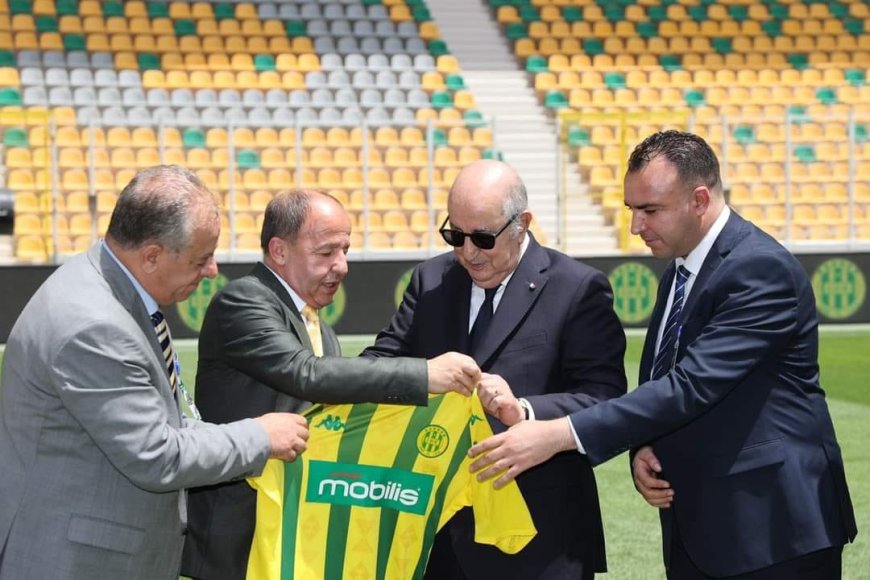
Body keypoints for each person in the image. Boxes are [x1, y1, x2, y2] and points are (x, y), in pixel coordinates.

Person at [468, 131, 858, 579]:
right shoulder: (680, 269)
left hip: (774, 530)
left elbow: (690, 386)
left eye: (650, 210)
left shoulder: (759, 270)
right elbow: (661, 382)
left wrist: (556, 434)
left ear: (699, 199)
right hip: (703, 526)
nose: (636, 226)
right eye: (632, 209)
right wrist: (644, 447)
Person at [0, 165, 310, 579]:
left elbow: (168, 422)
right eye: (201, 258)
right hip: (79, 562)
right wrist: (260, 436)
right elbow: (157, 455)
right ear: (151, 256)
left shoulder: (107, 288)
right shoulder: (96, 325)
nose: (212, 271)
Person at [181, 189, 481, 580]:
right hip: (242, 539)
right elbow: (306, 374)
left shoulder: (319, 325)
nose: (341, 266)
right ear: (279, 250)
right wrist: (424, 375)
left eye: (345, 250)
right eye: (326, 253)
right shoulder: (243, 301)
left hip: (298, 534)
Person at [362, 159, 627, 579]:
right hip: (433, 532)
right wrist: (425, 374)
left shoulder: (577, 288)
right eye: (455, 235)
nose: (468, 252)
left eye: (483, 238)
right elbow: (375, 366)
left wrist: (523, 410)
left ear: (522, 223)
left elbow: (604, 396)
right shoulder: (430, 279)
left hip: (539, 539)